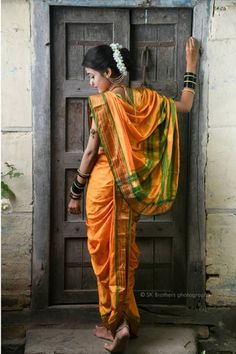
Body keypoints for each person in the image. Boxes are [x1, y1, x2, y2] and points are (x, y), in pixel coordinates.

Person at [68, 37, 199, 353]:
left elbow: (89, 152)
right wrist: (191, 66)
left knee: (105, 255)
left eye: (92, 76)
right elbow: (185, 105)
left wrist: (74, 193)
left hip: (102, 188)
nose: (90, 82)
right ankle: (123, 321)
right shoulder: (147, 101)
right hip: (131, 191)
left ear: (110, 72)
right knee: (122, 253)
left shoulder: (102, 106)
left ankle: (117, 324)